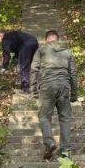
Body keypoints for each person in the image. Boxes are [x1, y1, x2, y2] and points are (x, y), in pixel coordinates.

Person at [31, 30, 79, 161]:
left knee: (44, 116)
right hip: (64, 87)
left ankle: (50, 142)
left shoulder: (41, 50)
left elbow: (34, 69)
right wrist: (74, 93)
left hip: (47, 87)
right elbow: (73, 74)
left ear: (46, 40)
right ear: (57, 40)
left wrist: (33, 90)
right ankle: (66, 151)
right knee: (65, 118)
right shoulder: (67, 52)